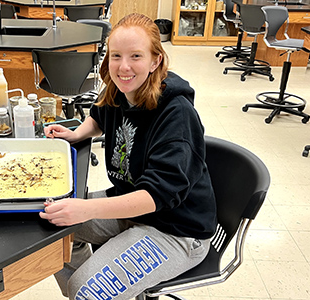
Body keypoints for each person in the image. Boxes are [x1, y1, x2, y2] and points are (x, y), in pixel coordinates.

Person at [40, 13, 217, 300]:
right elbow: (99, 116)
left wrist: (87, 209)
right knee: (49, 227)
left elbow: (155, 195)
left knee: (86, 290)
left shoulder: (177, 114)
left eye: (136, 56)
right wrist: (77, 134)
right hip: (133, 211)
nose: (123, 67)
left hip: (175, 230)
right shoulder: (120, 90)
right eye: (116, 56)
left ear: (155, 61)